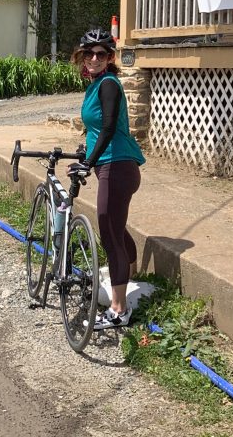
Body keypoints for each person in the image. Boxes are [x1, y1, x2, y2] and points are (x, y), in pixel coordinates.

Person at [68, 28, 145, 330]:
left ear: (110, 58)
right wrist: (85, 152)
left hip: (118, 165)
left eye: (101, 53)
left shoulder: (109, 84)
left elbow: (111, 126)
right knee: (114, 225)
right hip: (111, 165)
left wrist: (89, 161)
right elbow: (97, 129)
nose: (95, 58)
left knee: (108, 230)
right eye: (90, 53)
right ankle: (133, 274)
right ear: (83, 57)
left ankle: (118, 309)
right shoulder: (95, 85)